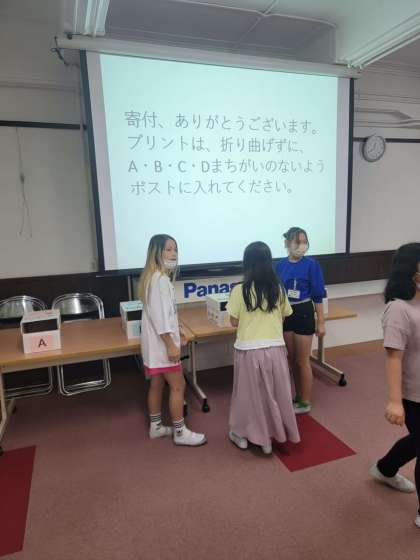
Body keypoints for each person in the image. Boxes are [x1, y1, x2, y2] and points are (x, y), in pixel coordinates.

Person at [227, 241, 300, 455]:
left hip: (249, 352)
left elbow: (233, 321)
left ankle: (244, 435)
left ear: (247, 263)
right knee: (275, 394)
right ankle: (271, 437)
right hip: (276, 350)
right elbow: (285, 316)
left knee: (248, 396)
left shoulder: (239, 290)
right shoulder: (278, 288)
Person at [139, 234, 206, 446]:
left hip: (154, 345)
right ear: (156, 253)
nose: (173, 254)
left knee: (157, 384)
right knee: (178, 385)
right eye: (168, 249)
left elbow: (164, 314)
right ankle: (180, 432)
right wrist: (171, 344)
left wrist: (178, 330)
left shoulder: (153, 278)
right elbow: (160, 319)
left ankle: (156, 427)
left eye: (175, 249)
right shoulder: (160, 280)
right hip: (162, 345)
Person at [370, 243, 420, 528]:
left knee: (418, 441)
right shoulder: (398, 309)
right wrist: (394, 401)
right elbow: (393, 357)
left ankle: (385, 468)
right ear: (411, 271)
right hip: (414, 394)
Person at [276, 227, 326, 414]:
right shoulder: (280, 265)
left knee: (302, 360)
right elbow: (277, 292)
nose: (302, 246)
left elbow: (318, 295)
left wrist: (321, 322)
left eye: (305, 242)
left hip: (304, 311)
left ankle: (305, 401)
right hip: (286, 313)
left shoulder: (312, 265)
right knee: (292, 359)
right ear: (287, 243)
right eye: (297, 242)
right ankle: (298, 395)